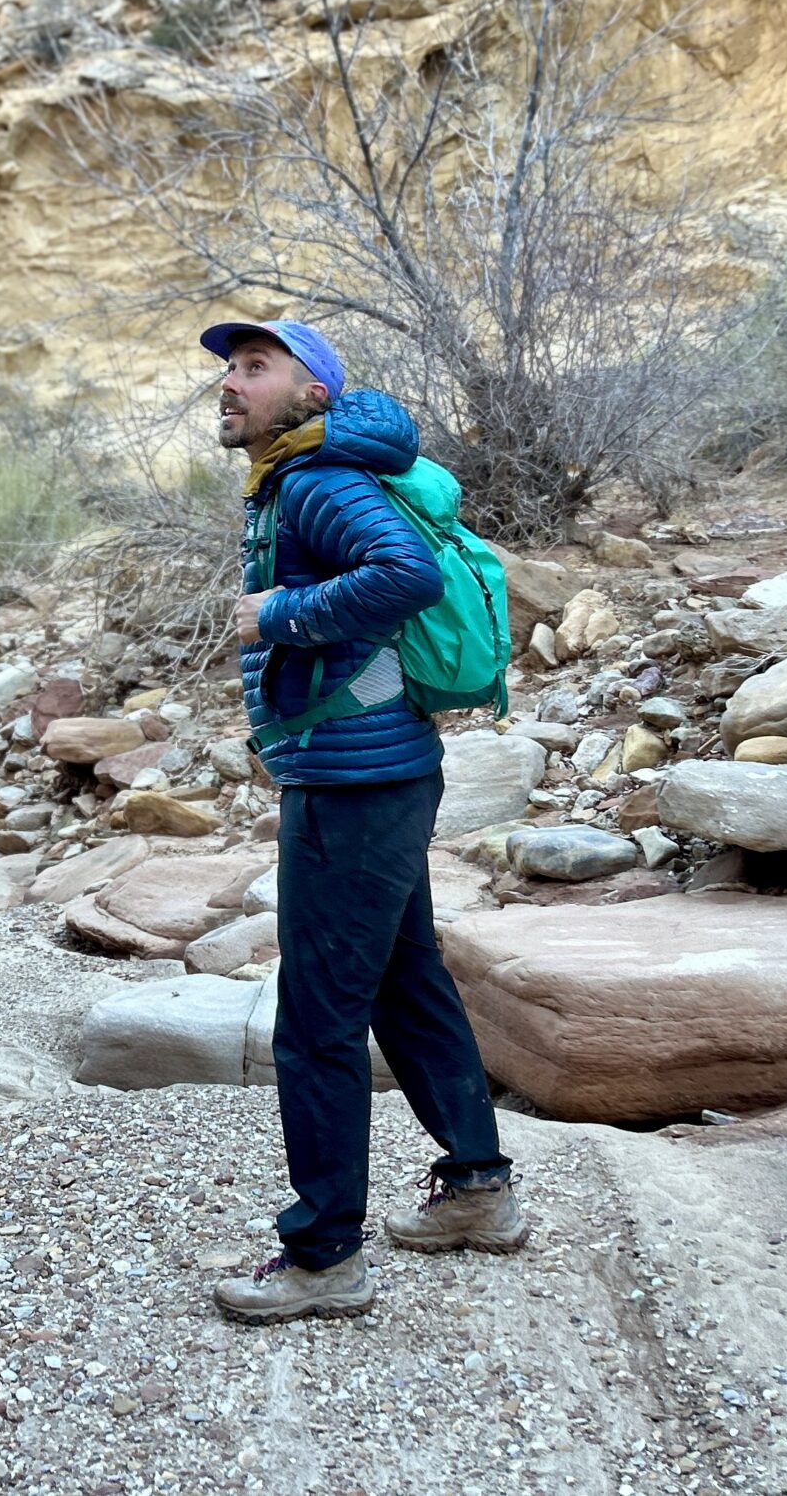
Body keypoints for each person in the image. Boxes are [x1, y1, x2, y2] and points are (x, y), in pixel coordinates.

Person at [200, 318, 525, 1327]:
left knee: (317, 1020)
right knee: (401, 979)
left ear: (311, 390)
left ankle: (324, 1253)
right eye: (228, 369)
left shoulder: (315, 481)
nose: (231, 385)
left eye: (256, 368)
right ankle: (476, 1188)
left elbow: (405, 576)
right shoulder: (297, 476)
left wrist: (277, 617)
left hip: (355, 782)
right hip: (368, 773)